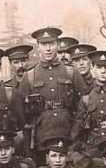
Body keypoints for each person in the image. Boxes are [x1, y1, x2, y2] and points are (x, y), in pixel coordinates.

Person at [15, 27, 82, 157]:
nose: (48, 48)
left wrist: (75, 131)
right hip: (42, 135)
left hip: (68, 133)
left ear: (57, 44)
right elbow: (21, 113)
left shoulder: (71, 72)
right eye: (44, 44)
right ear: (38, 46)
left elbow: (83, 105)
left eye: (51, 43)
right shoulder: (30, 76)